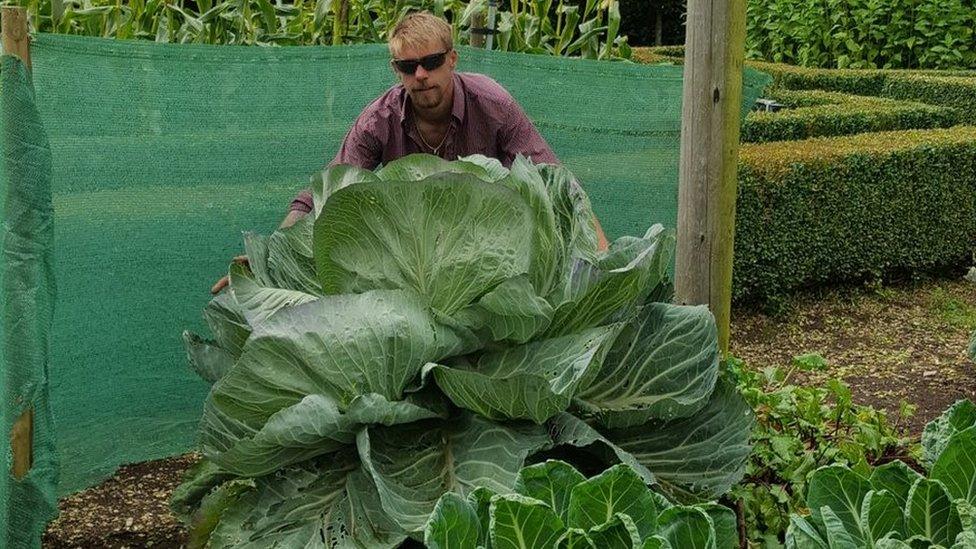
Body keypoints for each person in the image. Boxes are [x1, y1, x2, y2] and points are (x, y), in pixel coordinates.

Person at [211, 11, 607, 294]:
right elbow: (323, 194)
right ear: (396, 70)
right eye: (408, 66)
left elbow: (556, 180)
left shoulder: (493, 105)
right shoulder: (378, 120)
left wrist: (602, 253)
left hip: (490, 256)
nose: (421, 76)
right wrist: (271, 256)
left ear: (452, 60)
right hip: (411, 263)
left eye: (432, 62)